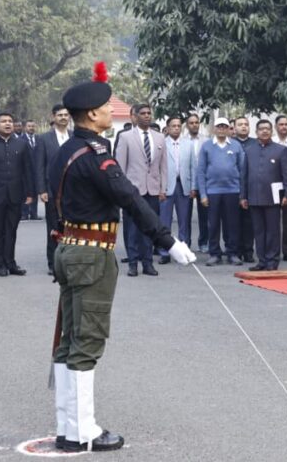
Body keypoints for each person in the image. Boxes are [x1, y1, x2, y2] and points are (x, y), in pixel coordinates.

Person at [47, 65, 195, 452]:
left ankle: (67, 426)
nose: (108, 111)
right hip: (91, 254)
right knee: (88, 341)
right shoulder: (95, 155)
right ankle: (84, 432)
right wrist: (168, 241)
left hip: (68, 249)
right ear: (91, 114)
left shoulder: (67, 149)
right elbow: (128, 197)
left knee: (70, 340)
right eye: (103, 107)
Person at [0, 112, 35, 276]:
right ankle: (0, 264)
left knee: (12, 230)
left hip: (16, 194)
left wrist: (30, 192)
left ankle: (11, 263)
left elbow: (27, 170)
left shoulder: (22, 144)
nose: (8, 124)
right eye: (4, 121)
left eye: (10, 121)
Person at [114, 103, 166, 277]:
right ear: (135, 116)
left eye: (149, 113)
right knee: (132, 229)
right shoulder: (126, 137)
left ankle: (148, 263)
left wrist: (162, 188)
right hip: (133, 190)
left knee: (150, 228)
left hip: (152, 190)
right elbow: (120, 166)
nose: (146, 116)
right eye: (142, 113)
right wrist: (122, 190)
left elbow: (163, 166)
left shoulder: (159, 138)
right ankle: (133, 263)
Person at [242, 119, 287, 271]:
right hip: (254, 197)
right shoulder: (249, 150)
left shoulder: (280, 150)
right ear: (256, 132)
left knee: (273, 231)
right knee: (258, 231)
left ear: (272, 131)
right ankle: (262, 260)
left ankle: (272, 261)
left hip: (273, 198)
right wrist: (243, 196)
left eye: (267, 129)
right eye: (261, 129)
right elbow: (244, 175)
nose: (264, 131)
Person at [197, 117, 245, 265]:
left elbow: (242, 171)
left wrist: (242, 194)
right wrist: (203, 194)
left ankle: (232, 253)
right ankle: (214, 253)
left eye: (225, 126)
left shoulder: (236, 146)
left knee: (232, 224)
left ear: (229, 129)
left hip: (232, 190)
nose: (222, 129)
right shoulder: (206, 146)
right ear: (214, 129)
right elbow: (201, 171)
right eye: (219, 126)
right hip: (213, 191)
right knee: (213, 224)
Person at [37, 104, 72, 276]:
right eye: (60, 115)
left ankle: (70, 260)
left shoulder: (75, 136)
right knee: (53, 228)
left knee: (72, 227)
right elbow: (39, 166)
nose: (64, 117)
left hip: (74, 191)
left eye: (66, 115)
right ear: (53, 117)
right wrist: (41, 189)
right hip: (52, 191)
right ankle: (53, 263)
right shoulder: (44, 139)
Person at [160, 116, 195, 250]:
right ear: (168, 128)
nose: (176, 128)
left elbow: (193, 167)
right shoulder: (162, 143)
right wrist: (160, 188)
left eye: (178, 126)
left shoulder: (189, 144)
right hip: (166, 187)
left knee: (184, 221)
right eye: (173, 126)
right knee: (164, 222)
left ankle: (183, 250)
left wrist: (193, 187)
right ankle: (165, 251)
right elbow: (158, 167)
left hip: (183, 186)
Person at [183, 113, 209, 253]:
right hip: (187, 181)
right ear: (187, 125)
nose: (194, 125)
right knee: (185, 215)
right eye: (191, 123)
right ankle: (186, 243)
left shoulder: (207, 141)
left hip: (203, 182)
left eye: (196, 122)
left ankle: (204, 242)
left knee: (204, 215)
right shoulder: (182, 140)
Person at [232, 116, 256, 262]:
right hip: (233, 187)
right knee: (234, 222)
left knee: (249, 222)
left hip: (251, 187)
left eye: (246, 124)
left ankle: (248, 251)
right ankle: (236, 250)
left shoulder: (255, 143)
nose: (243, 127)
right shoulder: (230, 143)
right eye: (240, 124)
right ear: (234, 128)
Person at [272, 115, 287, 262]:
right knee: (273, 221)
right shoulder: (271, 142)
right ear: (276, 126)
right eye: (281, 124)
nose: (284, 127)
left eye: (286, 124)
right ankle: (273, 251)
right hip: (273, 187)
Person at [22, 119, 39, 220]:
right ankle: (24, 213)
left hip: (36, 171)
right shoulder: (21, 139)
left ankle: (34, 213)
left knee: (35, 192)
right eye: (29, 126)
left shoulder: (39, 139)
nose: (31, 128)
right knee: (25, 192)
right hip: (25, 171)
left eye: (33, 126)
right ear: (25, 127)